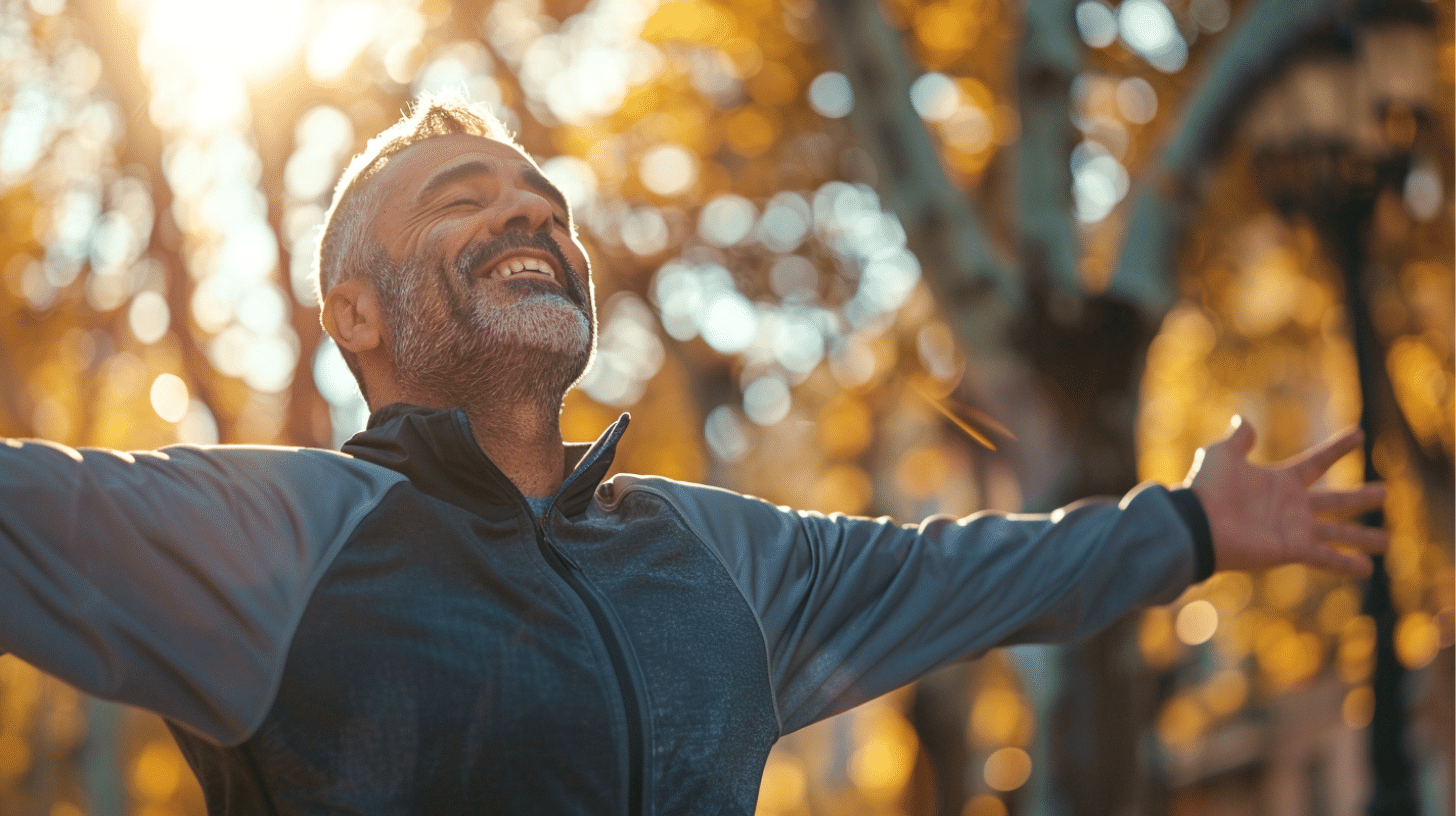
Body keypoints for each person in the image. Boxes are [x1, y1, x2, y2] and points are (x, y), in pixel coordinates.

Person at [0, 93, 1387, 815]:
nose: (531, 214)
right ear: (356, 315)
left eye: (546, 202)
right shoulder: (267, 536)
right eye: (463, 198)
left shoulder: (722, 555)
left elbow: (977, 573)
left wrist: (1191, 529)